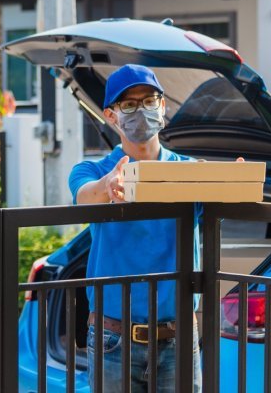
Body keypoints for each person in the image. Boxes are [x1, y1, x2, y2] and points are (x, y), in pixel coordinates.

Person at [69, 64, 202, 393]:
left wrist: (235, 182)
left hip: (179, 337)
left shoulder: (192, 173)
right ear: (111, 116)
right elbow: (84, 196)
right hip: (114, 339)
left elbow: (232, 198)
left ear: (163, 107)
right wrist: (109, 185)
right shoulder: (92, 169)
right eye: (128, 105)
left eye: (148, 101)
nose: (140, 111)